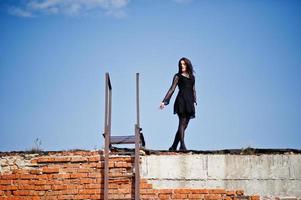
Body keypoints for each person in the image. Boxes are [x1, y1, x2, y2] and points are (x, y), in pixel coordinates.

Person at [159, 57, 197, 151]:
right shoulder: (177, 76)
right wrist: (164, 101)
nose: (182, 66)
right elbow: (172, 89)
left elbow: (193, 89)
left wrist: (195, 100)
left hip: (189, 102)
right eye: (181, 64)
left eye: (184, 64)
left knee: (184, 125)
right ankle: (182, 146)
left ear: (187, 65)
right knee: (182, 122)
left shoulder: (192, 77)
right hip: (181, 101)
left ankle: (173, 146)